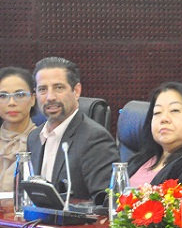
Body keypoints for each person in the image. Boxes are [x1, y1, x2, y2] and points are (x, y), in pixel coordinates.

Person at [27, 57, 119, 201]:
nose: (50, 97)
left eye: (58, 87)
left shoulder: (94, 139)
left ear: (76, 91)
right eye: (42, 89)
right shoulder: (34, 137)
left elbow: (105, 202)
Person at [0, 67, 38, 191]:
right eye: (3, 96)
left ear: (33, 99)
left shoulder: (42, 140)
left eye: (20, 95)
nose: (11, 102)